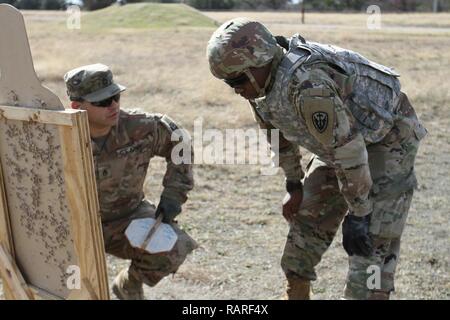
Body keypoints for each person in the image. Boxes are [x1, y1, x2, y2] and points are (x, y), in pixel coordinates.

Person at [206, 18, 427, 300]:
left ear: (259, 62)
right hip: (340, 144)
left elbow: (350, 153)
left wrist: (359, 214)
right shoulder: (260, 86)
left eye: (237, 80)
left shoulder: (308, 85)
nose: (235, 89)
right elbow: (277, 135)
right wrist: (294, 185)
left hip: (387, 141)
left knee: (369, 259)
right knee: (301, 241)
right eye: (229, 83)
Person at [64, 63, 197, 300]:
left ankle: (129, 284)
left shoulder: (139, 127)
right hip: (73, 226)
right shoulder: (57, 136)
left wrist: (173, 195)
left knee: (175, 246)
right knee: (69, 285)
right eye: (102, 102)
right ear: (77, 106)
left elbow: (180, 143)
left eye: (115, 97)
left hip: (126, 219)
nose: (113, 105)